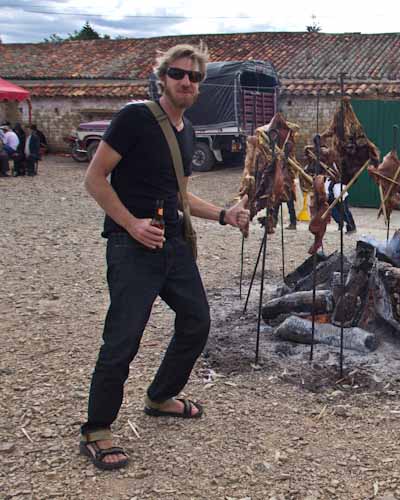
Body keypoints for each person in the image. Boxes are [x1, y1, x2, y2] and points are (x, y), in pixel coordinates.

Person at [80, 43, 251, 471]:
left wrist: (224, 215)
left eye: (195, 77)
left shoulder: (187, 130)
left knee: (197, 320)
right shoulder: (135, 118)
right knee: (123, 338)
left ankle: (160, 397)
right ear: (162, 77)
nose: (187, 82)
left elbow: (179, 194)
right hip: (132, 246)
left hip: (173, 243)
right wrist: (130, 223)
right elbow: (95, 178)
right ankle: (97, 429)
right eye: (178, 74)